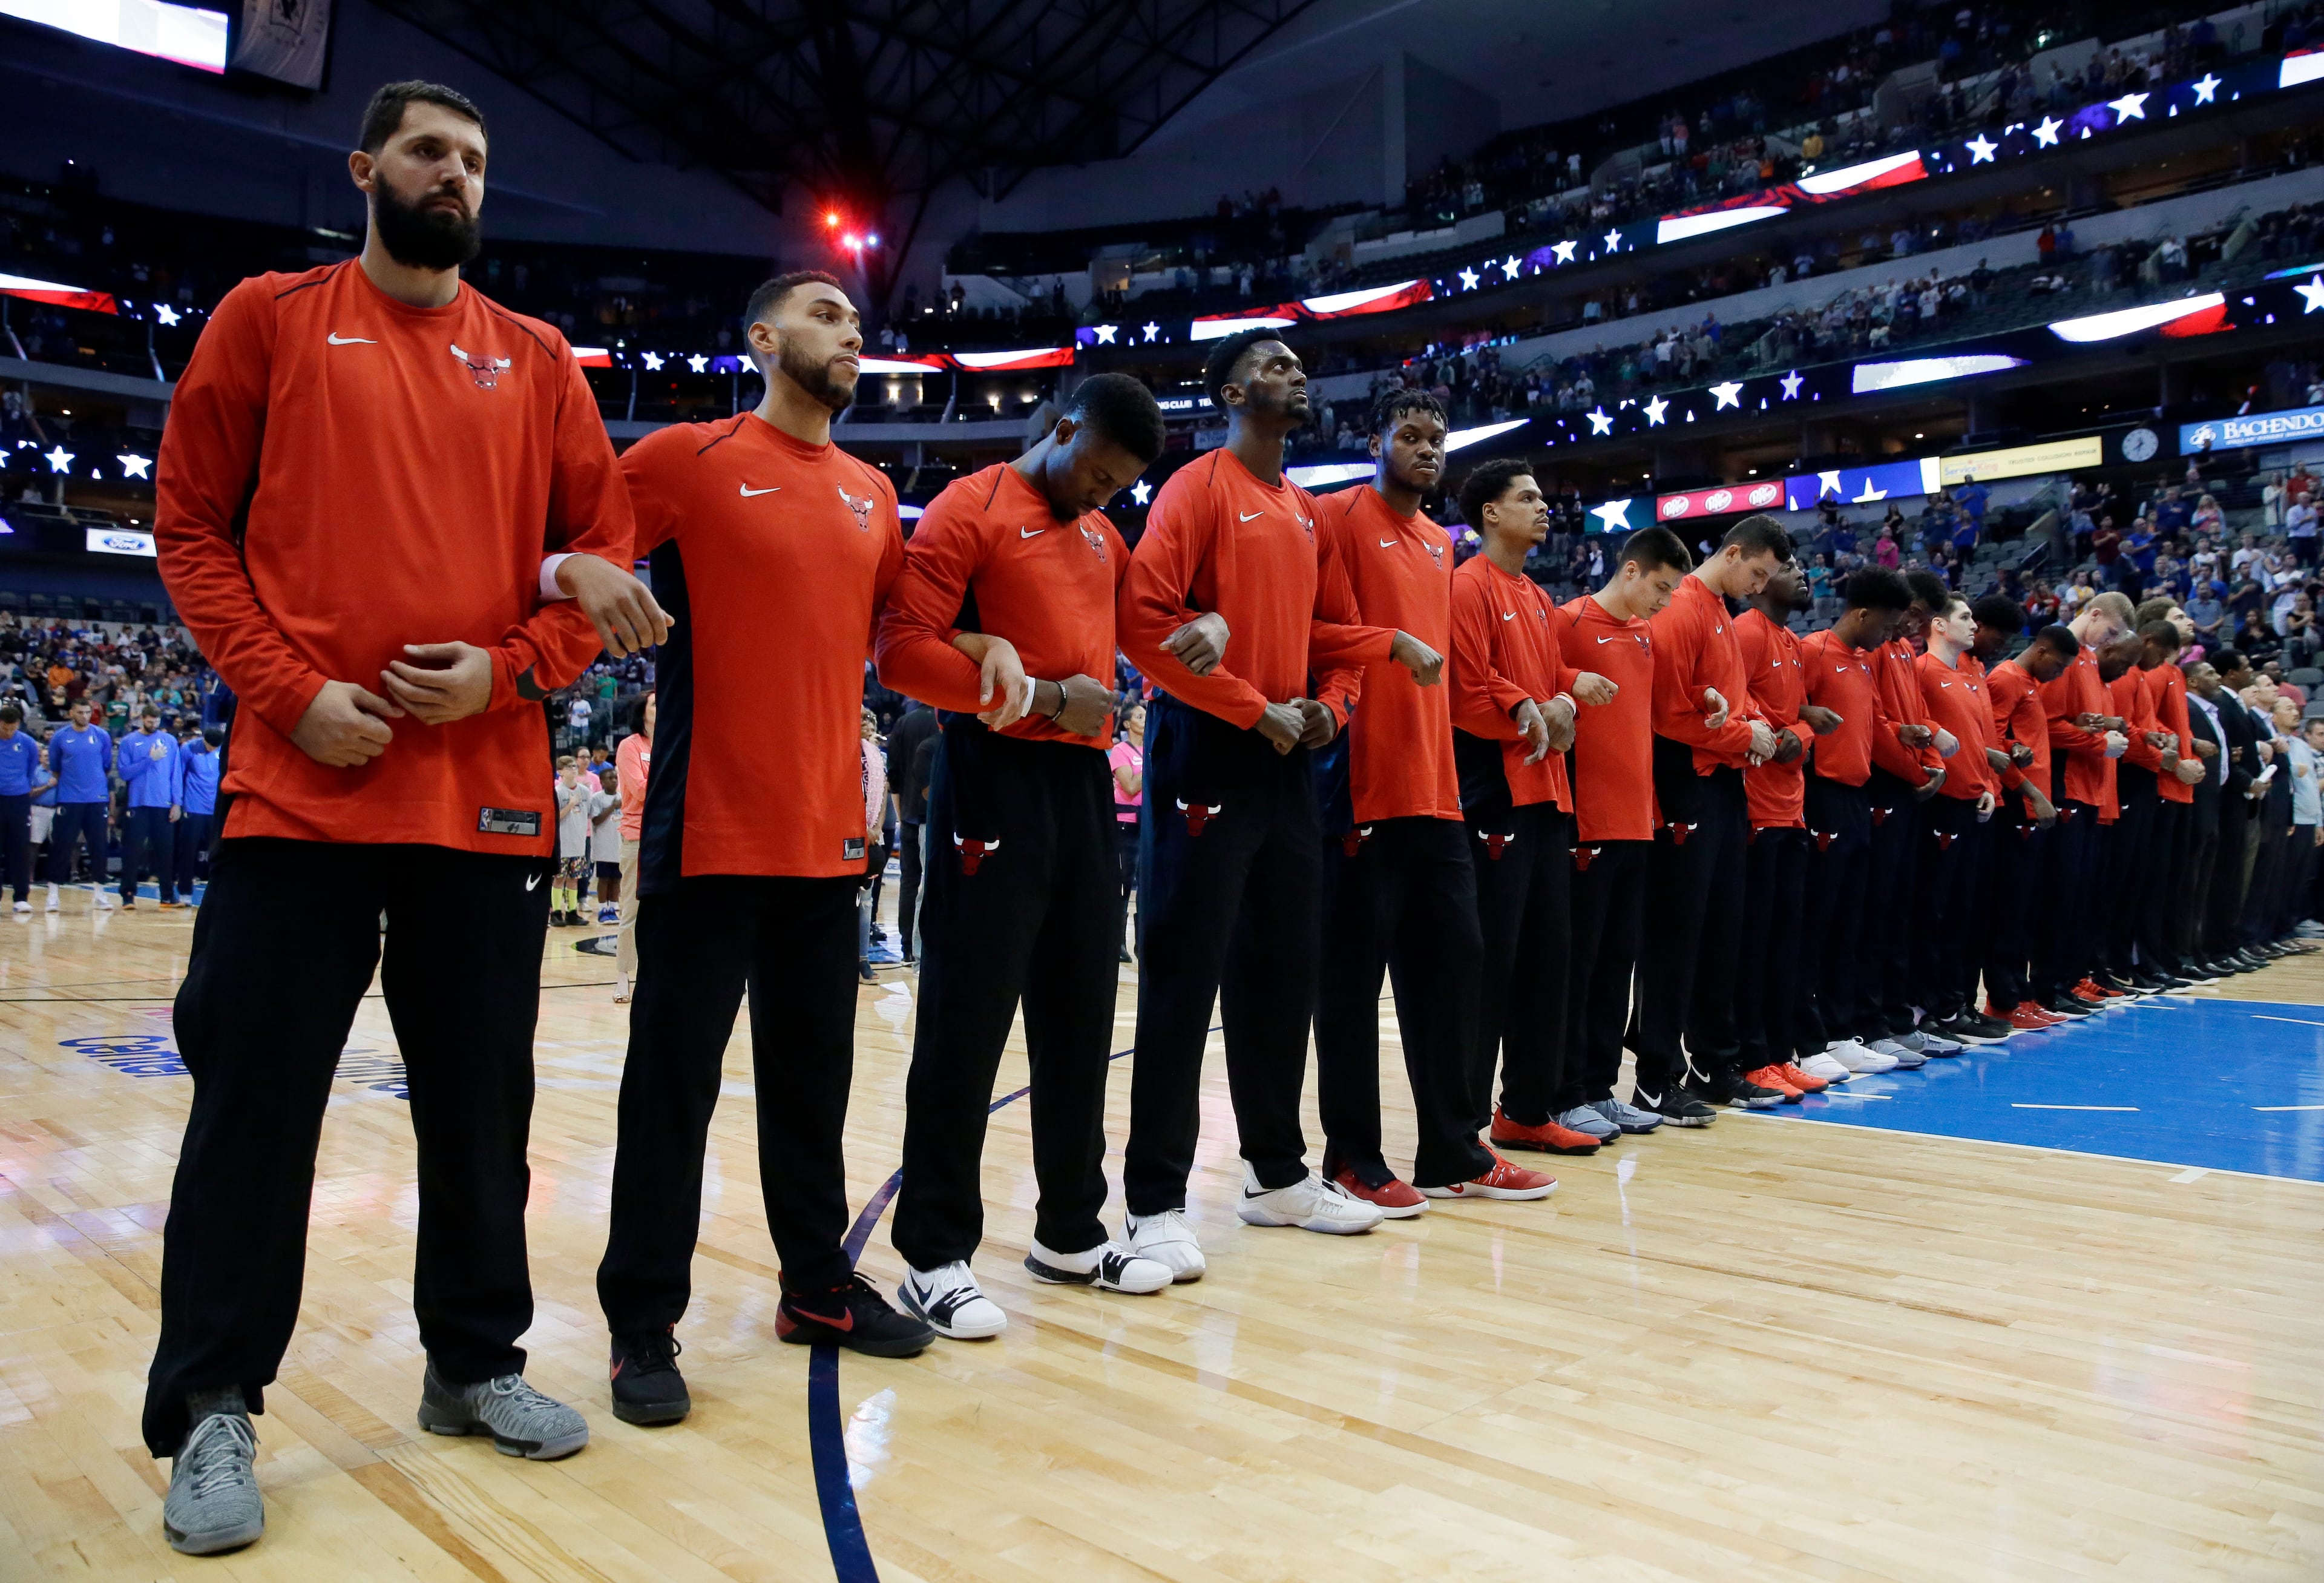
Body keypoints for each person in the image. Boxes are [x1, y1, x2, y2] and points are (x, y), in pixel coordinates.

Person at [146, 79, 666, 1556]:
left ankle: (473, 1361)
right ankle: (211, 1408)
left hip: (482, 803)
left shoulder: (542, 363)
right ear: (365, 167)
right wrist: (292, 693)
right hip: (296, 794)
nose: (456, 175)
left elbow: (603, 561)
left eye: (479, 161)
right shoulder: (268, 317)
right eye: (431, 151)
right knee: (254, 1113)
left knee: (481, 1112)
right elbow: (189, 528)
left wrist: (501, 668)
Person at [597, 268, 930, 1427]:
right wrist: (574, 571)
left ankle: (816, 1287)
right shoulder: (684, 459)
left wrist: (1006, 667)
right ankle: (642, 1322)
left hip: (826, 843)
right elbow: (576, 545)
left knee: (812, 1091)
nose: (852, 332)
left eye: (855, 320)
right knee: (669, 1093)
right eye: (827, 315)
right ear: (762, 337)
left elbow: (904, 647)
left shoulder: (874, 493)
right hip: (707, 834)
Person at [1114, 327, 1441, 1271]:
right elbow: (1144, 621)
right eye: (1273, 365)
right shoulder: (1197, 487)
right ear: (1228, 390)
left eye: (1301, 366)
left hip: (1289, 756)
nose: (1294, 375)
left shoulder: (1304, 510)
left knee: (1283, 972)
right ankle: (1153, 1201)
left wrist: (1335, 710)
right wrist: (1257, 709)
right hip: (1210, 752)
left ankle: (1277, 1175)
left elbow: (1332, 633)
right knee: (1183, 977)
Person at [872, 372, 1177, 1341]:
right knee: (967, 1018)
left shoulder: (1103, 535)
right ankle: (931, 1249)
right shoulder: (972, 506)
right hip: (992, 772)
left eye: (1122, 483)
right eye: (1097, 470)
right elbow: (901, 653)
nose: (1104, 492)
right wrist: (1046, 699)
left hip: (1081, 788)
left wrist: (1203, 628)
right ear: (1060, 427)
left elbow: (1147, 628)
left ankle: (1071, 1229)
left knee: (1079, 1013)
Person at [1310, 398, 1553, 1211]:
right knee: (1351, 979)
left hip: (1436, 786)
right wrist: (1378, 649)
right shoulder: (1336, 516)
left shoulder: (1436, 542)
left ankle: (1453, 1145)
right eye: (1408, 436)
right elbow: (1308, 628)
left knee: (1456, 965)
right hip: (1361, 779)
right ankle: (1352, 1155)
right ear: (1373, 440)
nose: (1423, 450)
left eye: (1434, 440)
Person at [1451, 461, 1615, 1154]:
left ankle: (1525, 1106)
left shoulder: (1535, 594)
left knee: (1550, 955)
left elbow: (1544, 680)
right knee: (1491, 962)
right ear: (1490, 513)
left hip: (1549, 792)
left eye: (1544, 497)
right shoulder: (1467, 584)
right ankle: (1460, 1125)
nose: (1544, 508)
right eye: (1527, 498)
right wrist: (1536, 703)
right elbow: (1467, 687)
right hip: (1498, 790)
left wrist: (1572, 687)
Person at [1627, 514, 1790, 1116]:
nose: (1759, 584)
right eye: (1757, 571)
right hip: (1684, 782)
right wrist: (1743, 733)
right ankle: (1655, 1074)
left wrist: (1755, 729)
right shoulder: (1681, 606)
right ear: (1734, 552)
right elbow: (1667, 714)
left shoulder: (1719, 610)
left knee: (1722, 930)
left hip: (1722, 783)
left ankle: (1715, 1063)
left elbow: (1725, 702)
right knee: (1675, 934)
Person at [1796, 568, 1915, 1074]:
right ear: (1862, 614)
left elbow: (1876, 729)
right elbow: (1784, 709)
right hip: (1822, 795)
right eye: (1886, 627)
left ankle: (1843, 1030)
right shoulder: (1813, 651)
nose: (1888, 638)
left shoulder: (1865, 662)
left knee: (1850, 920)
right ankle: (1810, 1037)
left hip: (1858, 796)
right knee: (1818, 923)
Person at [1733, 558, 1835, 1096]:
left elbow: (1798, 718)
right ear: (1759, 579)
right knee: (1755, 943)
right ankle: (1753, 1056)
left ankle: (1778, 1051)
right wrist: (1791, 727)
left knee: (1784, 942)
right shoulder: (1745, 631)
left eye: (1802, 565)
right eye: (1789, 567)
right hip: (1756, 809)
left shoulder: (1793, 642)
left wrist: (1801, 729)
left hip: (1793, 808)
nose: (1803, 573)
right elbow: (1738, 704)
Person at [2033, 592, 2135, 1017]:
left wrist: (2100, 726)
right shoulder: (2068, 656)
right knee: (2061, 892)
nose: (2109, 641)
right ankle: (2048, 984)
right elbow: (2048, 725)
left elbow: (2073, 719)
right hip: (2069, 784)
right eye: (2109, 631)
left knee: (2078, 893)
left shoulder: (2089, 659)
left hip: (2091, 788)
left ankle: (2067, 977)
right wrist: (2097, 740)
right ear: (2093, 614)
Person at [1912, 596, 2005, 1042]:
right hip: (1942, 805)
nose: (1973, 624)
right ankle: (1937, 1006)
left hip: (1973, 802)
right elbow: (1914, 721)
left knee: (1966, 912)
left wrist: (1988, 784)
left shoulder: (1968, 675)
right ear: (1939, 625)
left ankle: (1959, 1003)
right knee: (1939, 912)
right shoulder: (1924, 670)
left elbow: (1979, 742)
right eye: (1965, 617)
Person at [1975, 610, 2073, 1028]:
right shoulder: (2007, 679)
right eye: (2059, 665)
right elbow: (1991, 742)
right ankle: (2002, 999)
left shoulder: (2029, 682)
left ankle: (2019, 993)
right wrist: (2030, 791)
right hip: (2015, 805)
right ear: (2043, 649)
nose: (2058, 674)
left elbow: (2013, 741)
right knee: (2009, 908)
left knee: (2023, 907)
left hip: (2032, 807)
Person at [47, 698, 114, 912]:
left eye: (88, 712)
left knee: (99, 847)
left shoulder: (101, 735)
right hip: (69, 798)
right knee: (62, 846)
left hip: (96, 799)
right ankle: (53, 894)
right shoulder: (60, 737)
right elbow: (56, 767)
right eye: (80, 712)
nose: (85, 716)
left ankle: (100, 893)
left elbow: (105, 766)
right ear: (71, 713)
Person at [885, 698, 937, 964]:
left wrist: (900, 812)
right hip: (933, 818)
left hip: (907, 816)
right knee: (931, 886)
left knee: (909, 883)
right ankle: (922, 948)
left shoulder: (903, 723)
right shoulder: (942, 725)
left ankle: (907, 945)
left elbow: (892, 774)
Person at [116, 705, 182, 910]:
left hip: (163, 804)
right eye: (149, 719)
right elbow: (125, 773)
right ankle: (128, 895)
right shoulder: (129, 742)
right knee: (133, 851)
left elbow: (176, 773)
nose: (153, 723)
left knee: (165, 852)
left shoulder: (170, 741)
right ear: (142, 719)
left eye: (156, 720)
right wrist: (149, 760)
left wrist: (177, 802)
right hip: (138, 804)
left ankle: (168, 896)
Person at [612, 692, 652, 1002]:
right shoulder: (630, 746)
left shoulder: (668, 743)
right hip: (637, 836)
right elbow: (640, 790)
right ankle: (623, 975)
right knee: (632, 909)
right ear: (643, 713)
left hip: (666, 835)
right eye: (655, 704)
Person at [1109, 702, 1146, 961]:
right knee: (1123, 887)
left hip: (1148, 826)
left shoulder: (1153, 748)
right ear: (1127, 724)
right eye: (1139, 716)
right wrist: (1152, 764)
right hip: (1125, 825)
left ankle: (1141, 945)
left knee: (1148, 888)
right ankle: (1117, 943)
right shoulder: (1120, 751)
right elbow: (1131, 786)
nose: (1145, 719)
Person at [173, 726, 220, 904]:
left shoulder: (223, 749)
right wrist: (178, 802)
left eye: (215, 747)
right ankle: (185, 893)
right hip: (193, 807)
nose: (211, 750)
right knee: (188, 852)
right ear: (203, 740)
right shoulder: (189, 749)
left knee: (216, 853)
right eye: (209, 746)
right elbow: (178, 775)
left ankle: (215, 895)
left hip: (214, 808)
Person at [0, 703, 39, 911]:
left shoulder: (28, 743)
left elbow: (32, 768)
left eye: (12, 728)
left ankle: (21, 897)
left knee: (20, 849)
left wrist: (22, 786)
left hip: (19, 800)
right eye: (5, 728)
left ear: (18, 725)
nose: (8, 732)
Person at [553, 755, 592, 926]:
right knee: (559, 879)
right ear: (560, 771)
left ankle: (571, 912)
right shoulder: (558, 792)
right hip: (563, 844)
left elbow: (589, 813)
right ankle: (555, 913)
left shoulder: (585, 792)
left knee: (574, 879)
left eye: (574, 766)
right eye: (568, 767)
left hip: (578, 843)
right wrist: (570, 805)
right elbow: (555, 818)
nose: (573, 769)